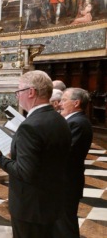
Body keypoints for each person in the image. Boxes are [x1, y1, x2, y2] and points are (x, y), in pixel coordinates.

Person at [0, 70, 71, 238]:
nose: (17, 96)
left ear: (31, 92)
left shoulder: (30, 126)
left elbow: (25, 172)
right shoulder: (59, 118)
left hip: (31, 206)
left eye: (19, 91)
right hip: (52, 198)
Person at [53, 88, 93, 237]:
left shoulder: (78, 123)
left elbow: (65, 153)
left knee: (65, 223)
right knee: (61, 222)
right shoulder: (74, 121)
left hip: (67, 181)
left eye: (64, 100)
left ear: (76, 103)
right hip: (65, 180)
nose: (59, 104)